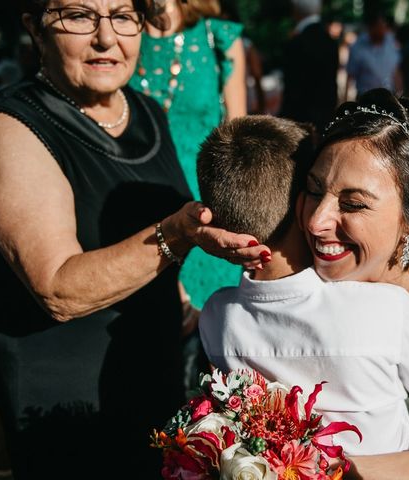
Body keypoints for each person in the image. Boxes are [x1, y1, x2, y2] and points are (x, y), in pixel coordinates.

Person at [0, 1, 265, 478]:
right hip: (68, 406)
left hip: (153, 385)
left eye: (123, 16)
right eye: (79, 15)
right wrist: (177, 235)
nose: (106, 37)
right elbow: (57, 287)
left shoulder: (146, 112)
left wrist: (178, 295)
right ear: (35, 29)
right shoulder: (12, 127)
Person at [193, 88, 409, 477]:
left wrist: (296, 470)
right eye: (314, 190)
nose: (316, 221)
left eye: (353, 204)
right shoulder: (290, 260)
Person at [128, 0, 247, 392]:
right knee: (147, 359)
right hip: (138, 208)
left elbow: (237, 140)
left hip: (207, 212)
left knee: (212, 367)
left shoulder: (217, 37)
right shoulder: (122, 32)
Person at [278, 0, 338, 135]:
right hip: (325, 118)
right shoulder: (330, 42)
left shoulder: (296, 43)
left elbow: (292, 90)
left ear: (295, 10)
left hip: (300, 122)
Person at [345, 12, 401, 100]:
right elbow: (350, 75)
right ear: (371, 28)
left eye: (384, 26)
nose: (383, 30)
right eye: (379, 27)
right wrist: (345, 99)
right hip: (365, 97)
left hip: (388, 97)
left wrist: (400, 95)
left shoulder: (391, 43)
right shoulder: (359, 46)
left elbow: (396, 71)